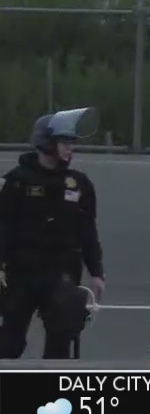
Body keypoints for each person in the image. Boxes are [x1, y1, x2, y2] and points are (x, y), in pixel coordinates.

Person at [0, 108, 105, 359]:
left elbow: (87, 230)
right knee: (9, 342)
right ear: (47, 143)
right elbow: (3, 227)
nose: (70, 148)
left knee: (62, 335)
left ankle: (52, 389)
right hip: (21, 270)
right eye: (64, 142)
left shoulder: (79, 185)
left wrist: (97, 271)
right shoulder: (15, 182)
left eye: (71, 142)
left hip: (61, 270)